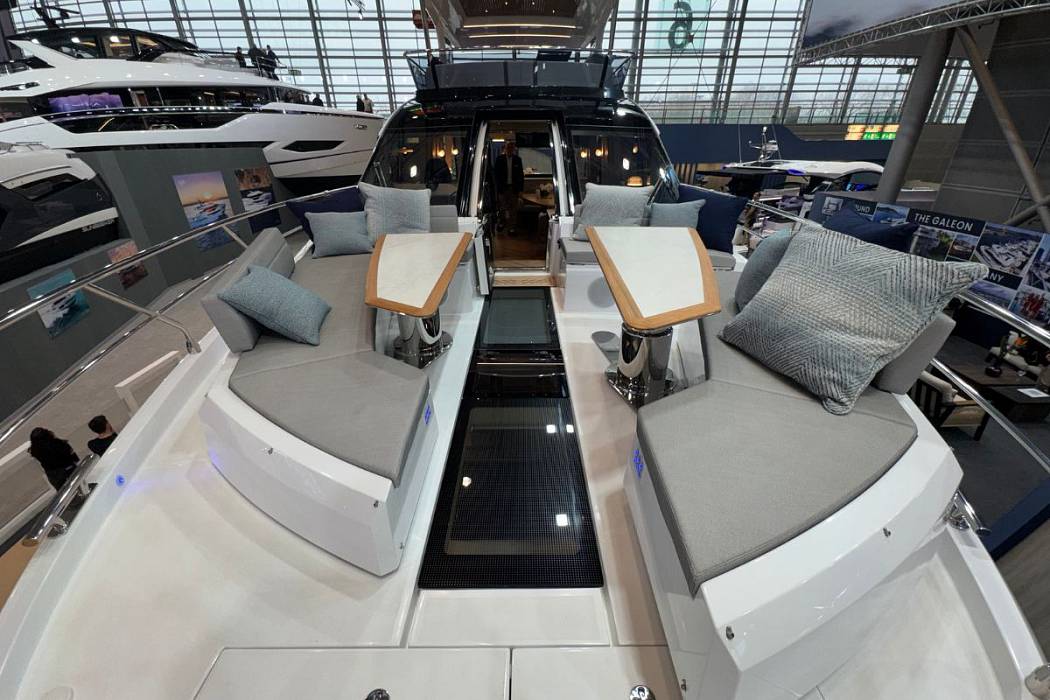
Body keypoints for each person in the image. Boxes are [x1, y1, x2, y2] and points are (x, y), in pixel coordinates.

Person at [494, 141, 524, 233]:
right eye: (508, 148)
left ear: (514, 149)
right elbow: (496, 175)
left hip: (513, 188)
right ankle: (501, 223)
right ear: (505, 148)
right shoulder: (499, 159)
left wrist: (520, 190)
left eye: (511, 148)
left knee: (513, 209)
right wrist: (498, 188)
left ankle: (512, 227)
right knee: (502, 207)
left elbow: (520, 175)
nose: (510, 149)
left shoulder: (517, 160)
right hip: (502, 188)